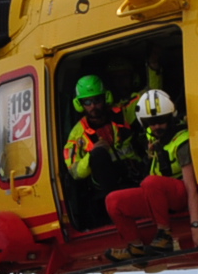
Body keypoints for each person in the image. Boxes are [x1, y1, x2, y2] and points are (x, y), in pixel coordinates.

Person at [103, 89, 198, 257]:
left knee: (151, 182)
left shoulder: (181, 142)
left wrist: (195, 225)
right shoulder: (153, 140)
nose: (156, 126)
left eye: (160, 121)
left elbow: (192, 189)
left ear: (170, 118)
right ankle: (135, 247)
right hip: (159, 198)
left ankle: (164, 236)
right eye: (151, 122)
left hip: (180, 197)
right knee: (113, 201)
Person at [60, 75, 140, 225]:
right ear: (80, 104)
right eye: (87, 102)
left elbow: (149, 98)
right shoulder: (76, 135)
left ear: (105, 98)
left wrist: (154, 66)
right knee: (98, 156)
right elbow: (75, 172)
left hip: (133, 173)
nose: (93, 106)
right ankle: (117, 211)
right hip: (105, 184)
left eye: (97, 100)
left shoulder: (121, 114)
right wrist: (91, 155)